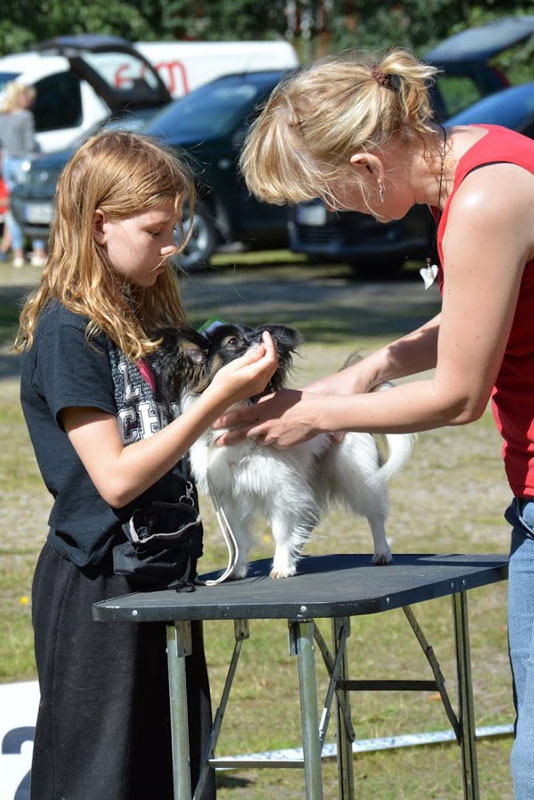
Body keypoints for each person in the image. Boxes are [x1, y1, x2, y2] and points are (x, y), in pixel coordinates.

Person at [213, 49, 534, 797]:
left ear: (365, 164)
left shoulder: (483, 202)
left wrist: (314, 411)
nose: (335, 211)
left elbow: (457, 396)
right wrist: (368, 369)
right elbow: (485, 311)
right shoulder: (484, 156)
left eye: (329, 193)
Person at [14, 130, 278, 800]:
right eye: (155, 231)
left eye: (177, 227)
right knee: (99, 782)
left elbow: (165, 437)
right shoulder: (69, 330)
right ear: (99, 224)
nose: (172, 247)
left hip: (162, 570)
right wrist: (212, 401)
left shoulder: (136, 315)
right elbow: (116, 477)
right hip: (99, 584)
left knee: (176, 775)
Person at [0, 81, 46, 267]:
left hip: (8, 163)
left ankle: (18, 254)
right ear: (20, 97)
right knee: (33, 206)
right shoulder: (25, 116)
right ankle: (38, 253)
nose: (30, 100)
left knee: (14, 210)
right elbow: (29, 145)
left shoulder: (3, 117)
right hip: (24, 164)